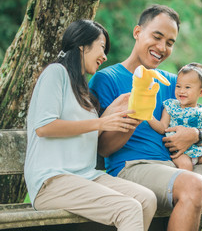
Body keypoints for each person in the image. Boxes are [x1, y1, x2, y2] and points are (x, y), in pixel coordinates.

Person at [89, 5, 202, 231]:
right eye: (157, 37)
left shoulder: (176, 82)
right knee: (194, 185)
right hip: (132, 167)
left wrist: (195, 135)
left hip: (181, 166)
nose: (162, 47)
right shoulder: (107, 79)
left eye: (170, 42)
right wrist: (133, 116)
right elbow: (104, 149)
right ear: (137, 32)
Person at [24, 19, 157, 231]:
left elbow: (87, 131)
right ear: (82, 45)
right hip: (51, 182)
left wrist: (126, 108)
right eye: (102, 47)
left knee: (147, 199)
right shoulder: (56, 73)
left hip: (87, 176)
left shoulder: (83, 92)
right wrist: (101, 121)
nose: (104, 56)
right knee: (128, 208)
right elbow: (44, 127)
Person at [147, 62, 202, 197]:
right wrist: (148, 115)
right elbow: (162, 128)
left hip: (198, 150)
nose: (181, 91)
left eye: (187, 87)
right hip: (179, 151)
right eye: (178, 86)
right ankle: (191, 188)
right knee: (185, 164)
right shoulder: (171, 106)